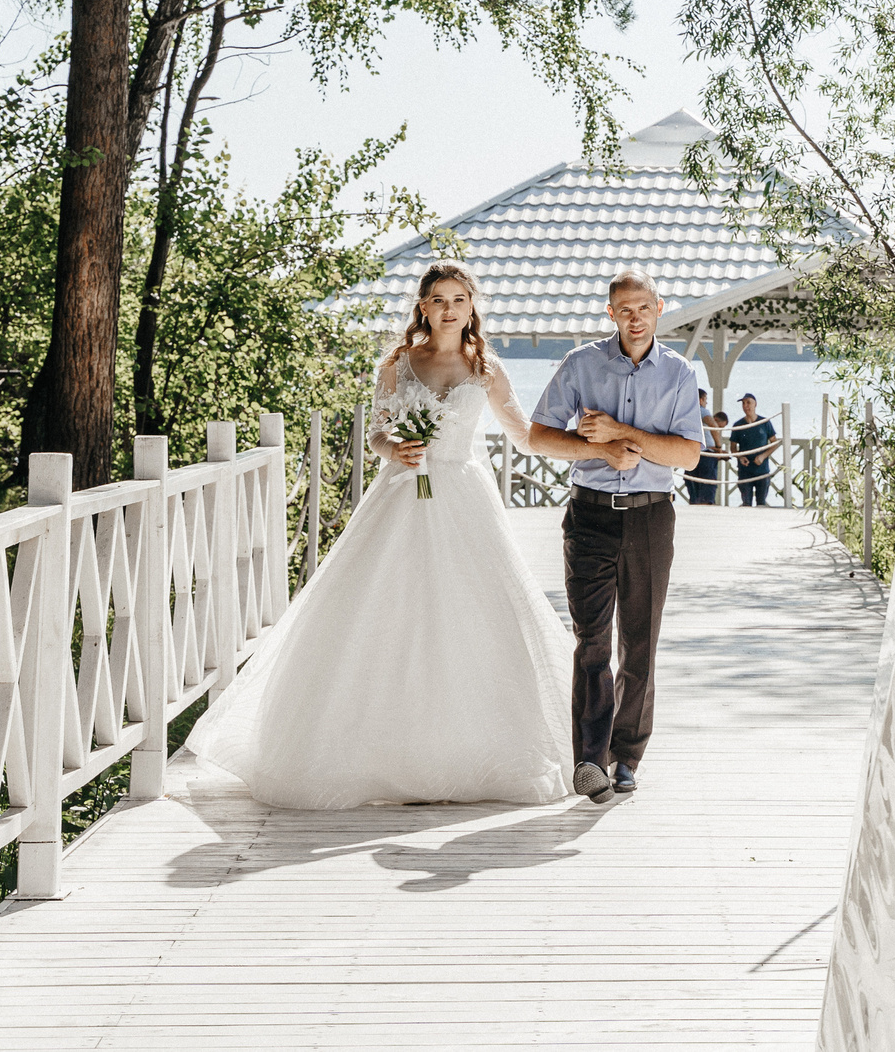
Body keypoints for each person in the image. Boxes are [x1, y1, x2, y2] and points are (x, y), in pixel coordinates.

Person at [186, 262, 568, 806]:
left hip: (461, 499)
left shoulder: (486, 368)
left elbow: (524, 435)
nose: (449, 308)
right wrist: (393, 449)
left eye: (459, 298)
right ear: (423, 307)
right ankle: (368, 754)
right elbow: (377, 434)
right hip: (400, 497)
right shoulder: (397, 364)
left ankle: (466, 752)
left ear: (471, 306)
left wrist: (590, 447)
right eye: (438, 299)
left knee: (470, 616)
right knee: (382, 611)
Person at [529, 269, 704, 804]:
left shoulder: (677, 374)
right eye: (624, 309)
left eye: (643, 307)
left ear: (659, 308)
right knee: (591, 641)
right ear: (611, 313)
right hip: (589, 517)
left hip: (651, 517)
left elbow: (688, 454)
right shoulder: (582, 364)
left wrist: (622, 433)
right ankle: (590, 759)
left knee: (640, 642)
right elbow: (539, 437)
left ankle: (625, 757)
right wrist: (598, 449)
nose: (634, 317)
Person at [729, 393, 779, 508]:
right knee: (746, 503)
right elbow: (733, 448)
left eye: (748, 403)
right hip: (745, 470)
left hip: (762, 469)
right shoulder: (738, 425)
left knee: (761, 503)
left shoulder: (764, 422)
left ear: (755, 404)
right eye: (743, 403)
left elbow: (774, 443)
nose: (746, 406)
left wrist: (763, 456)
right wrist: (740, 457)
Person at [686, 390, 729, 506]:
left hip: (691, 455)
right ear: (700, 400)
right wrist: (719, 447)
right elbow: (713, 425)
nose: (706, 403)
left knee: (694, 491)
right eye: (705, 400)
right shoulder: (702, 411)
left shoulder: (686, 412)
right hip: (705, 457)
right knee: (707, 488)